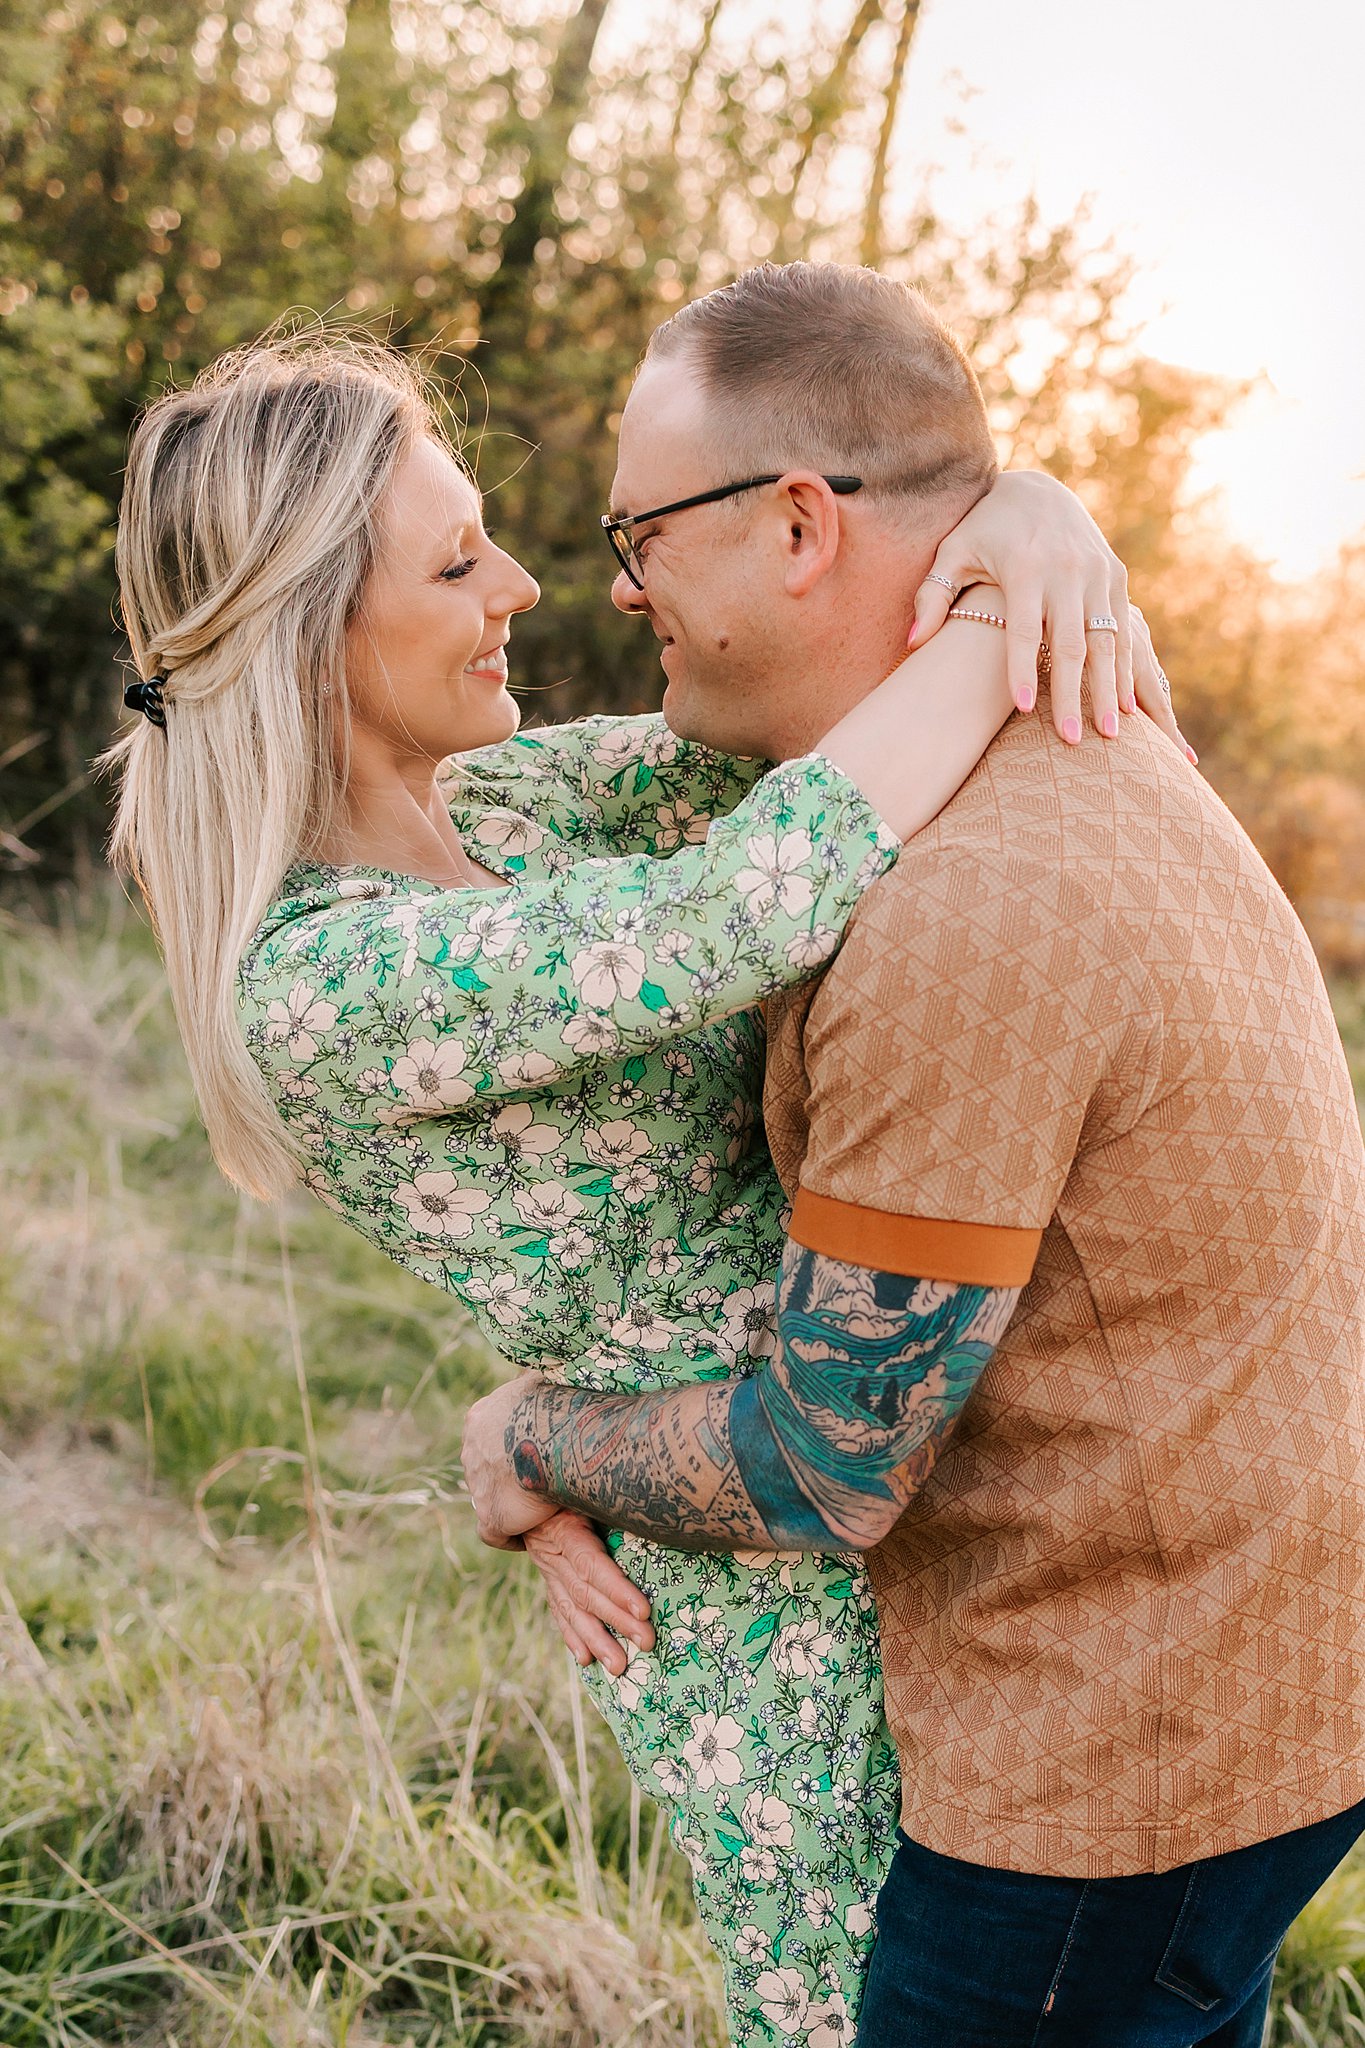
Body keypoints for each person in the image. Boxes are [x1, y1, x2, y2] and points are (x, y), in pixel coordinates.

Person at [107, 309, 1175, 2046]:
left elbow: (811, 733)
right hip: (757, 1611)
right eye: (457, 561)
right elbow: (752, 896)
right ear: (311, 638)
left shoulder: (518, 804)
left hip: (912, 1465)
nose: (523, 583)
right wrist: (1006, 615)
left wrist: (1024, 508)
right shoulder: (317, 981)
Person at [462, 261, 1365, 2048]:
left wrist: (522, 1434)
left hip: (1121, 1758)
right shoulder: (1065, 703)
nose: (617, 583)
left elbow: (823, 1467)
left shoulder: (965, 910)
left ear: (798, 523)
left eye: (638, 530)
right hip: (1267, 1665)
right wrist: (1028, 509)